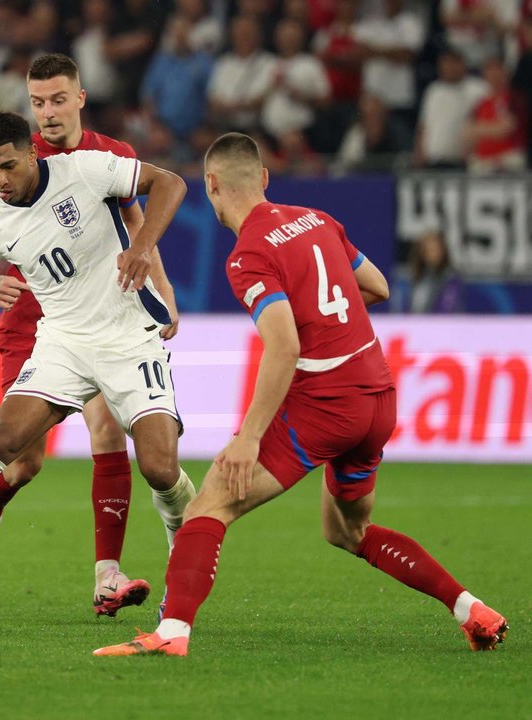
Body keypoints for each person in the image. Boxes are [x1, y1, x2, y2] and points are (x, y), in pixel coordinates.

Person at [94, 132, 507, 657]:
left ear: (211, 186)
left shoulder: (248, 255)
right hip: (377, 398)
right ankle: (471, 609)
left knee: (208, 508)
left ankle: (171, 633)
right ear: (265, 179)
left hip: (325, 403)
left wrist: (248, 437)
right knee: (348, 532)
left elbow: (283, 347)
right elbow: (376, 287)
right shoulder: (318, 220)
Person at [0, 53, 185, 619]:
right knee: (23, 463)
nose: (47, 113)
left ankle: (107, 575)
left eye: (56, 100)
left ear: (79, 98)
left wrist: (162, 292)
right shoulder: (11, 156)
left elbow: (134, 228)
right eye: (37, 102)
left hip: (102, 318)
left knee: (108, 431)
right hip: (34, 320)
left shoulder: (108, 155)